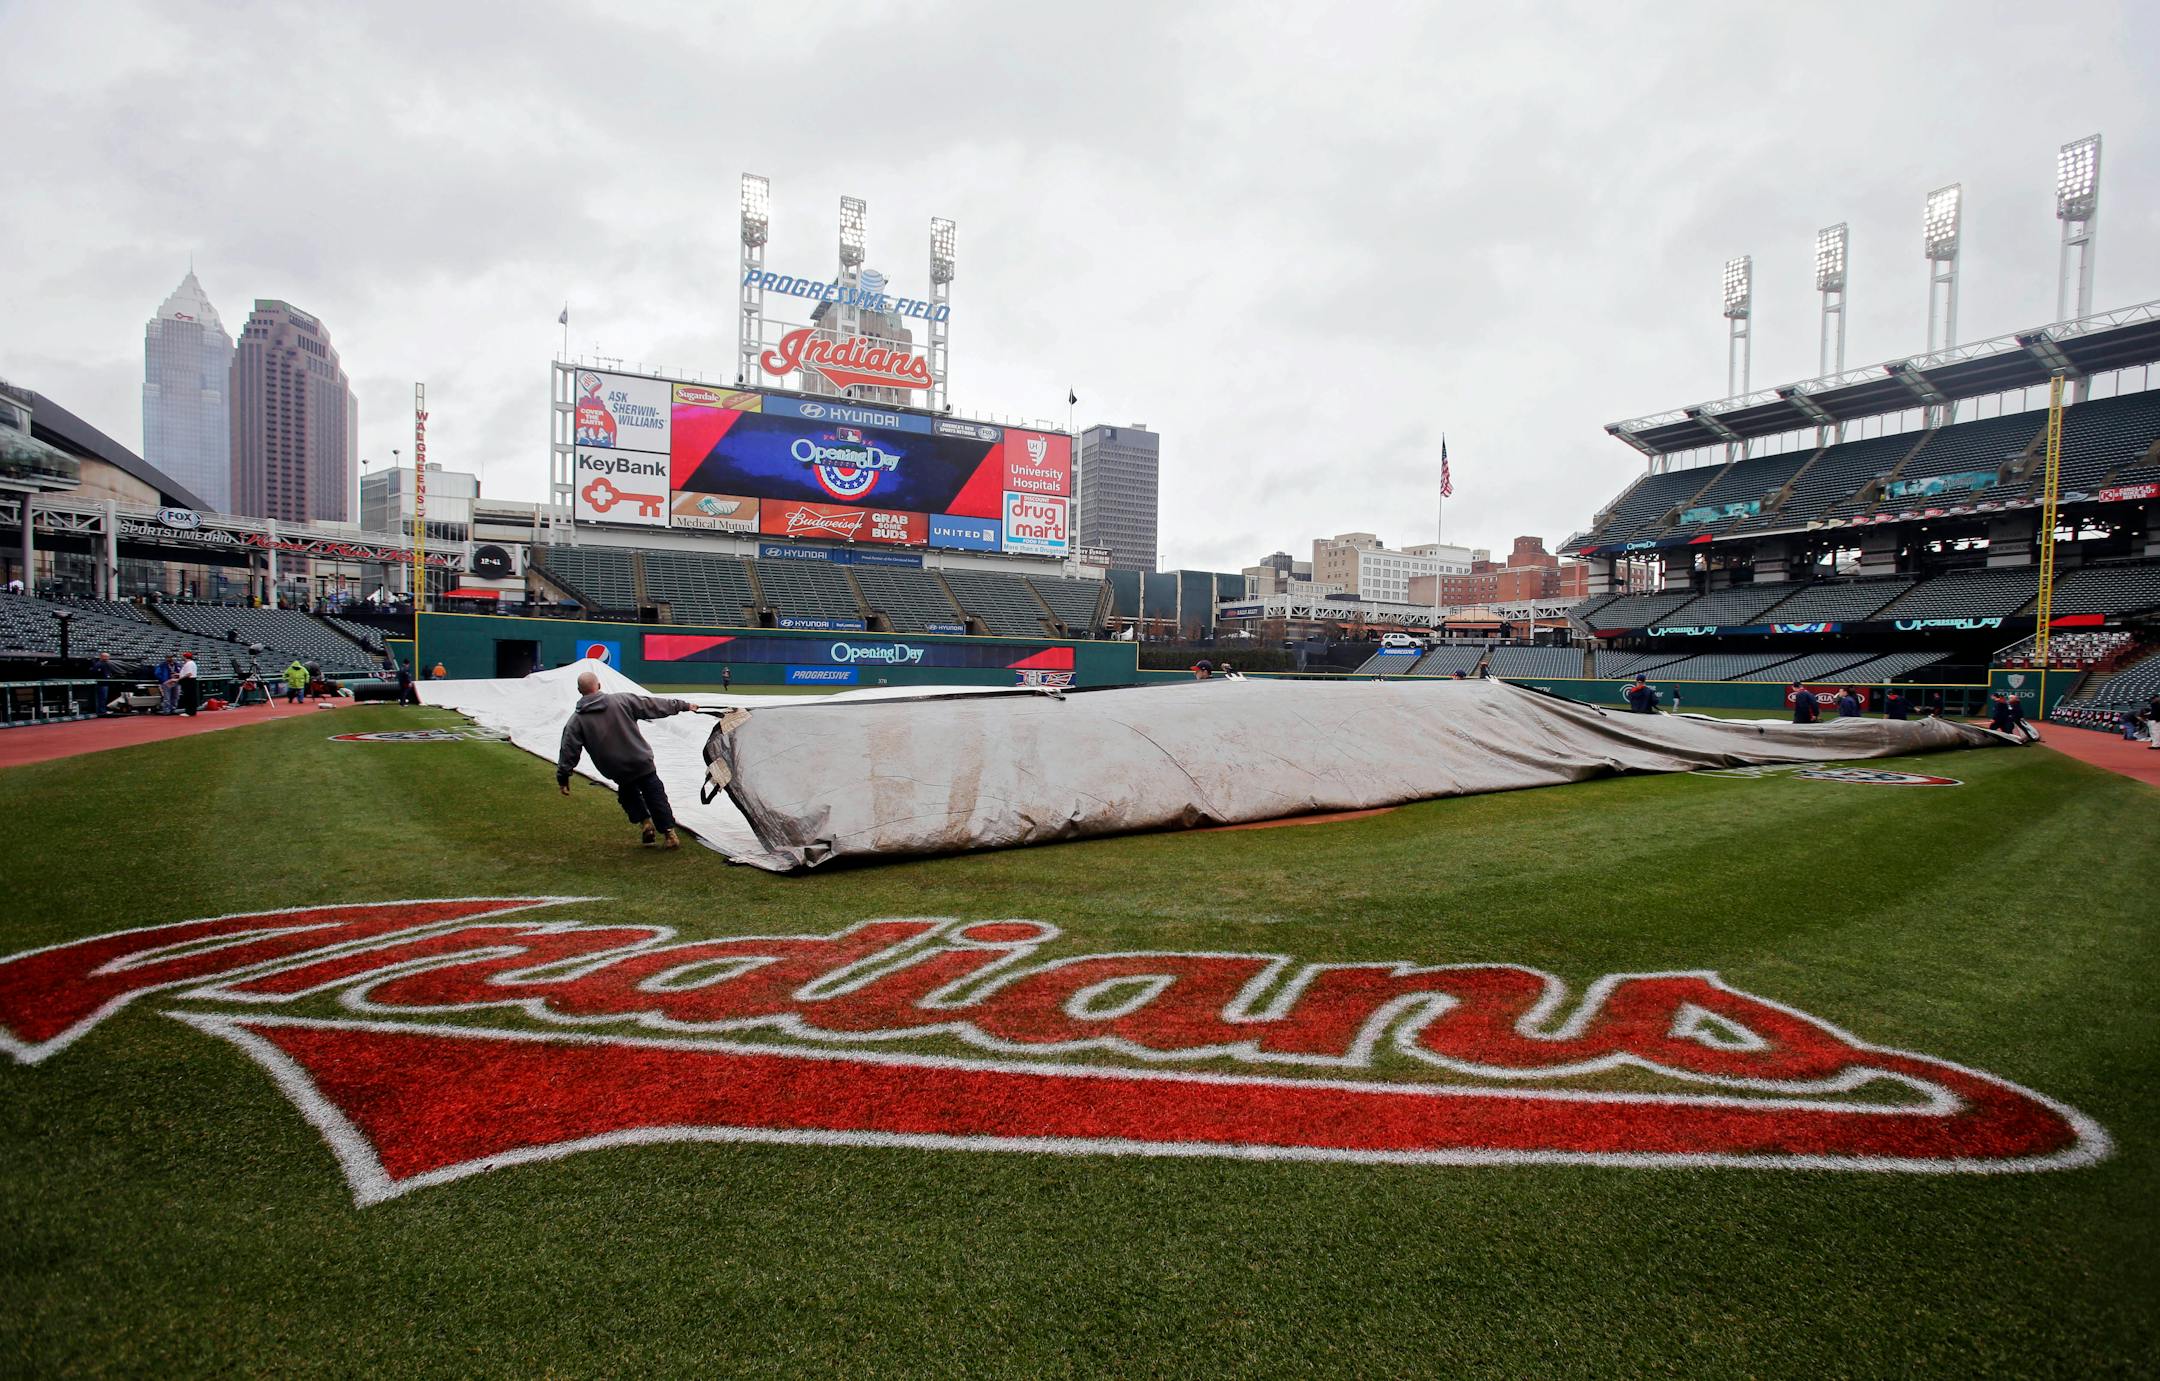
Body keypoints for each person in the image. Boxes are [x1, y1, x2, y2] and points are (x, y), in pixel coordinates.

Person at [555, 670, 700, 849]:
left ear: (579, 690)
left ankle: (645, 823)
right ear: (599, 686)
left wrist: (563, 777)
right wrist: (683, 705)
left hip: (616, 769)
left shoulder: (575, 721)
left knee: (628, 795)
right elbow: (654, 705)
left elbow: (568, 750)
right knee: (655, 796)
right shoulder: (622, 701)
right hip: (641, 761)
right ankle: (669, 833)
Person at [91, 652, 116, 716]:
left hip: (105, 683)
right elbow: (95, 672)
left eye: (108, 657)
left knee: (104, 698)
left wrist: (109, 676)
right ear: (102, 657)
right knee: (102, 698)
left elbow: (108, 673)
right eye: (106, 656)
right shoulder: (98, 664)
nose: (108, 658)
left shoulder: (106, 664)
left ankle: (102, 710)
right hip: (101, 684)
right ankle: (102, 711)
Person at [176, 651, 200, 716]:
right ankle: (191, 711)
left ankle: (189, 712)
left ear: (185, 657)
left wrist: (180, 678)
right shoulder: (191, 663)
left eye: (183, 656)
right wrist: (178, 674)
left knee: (188, 697)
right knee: (190, 696)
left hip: (188, 681)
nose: (182, 657)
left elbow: (189, 674)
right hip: (191, 680)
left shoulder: (189, 663)